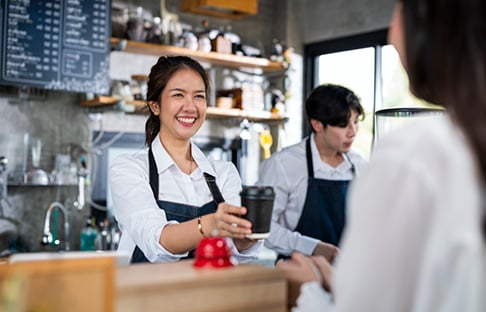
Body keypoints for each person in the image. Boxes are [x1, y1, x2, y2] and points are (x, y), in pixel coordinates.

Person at [277, 0, 486, 311]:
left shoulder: (412, 156)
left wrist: (311, 288)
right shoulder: (284, 164)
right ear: (316, 125)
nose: (391, 34)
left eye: (398, 12)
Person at [110, 56, 262, 264]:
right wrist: (209, 225)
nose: (190, 107)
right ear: (155, 106)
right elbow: (157, 243)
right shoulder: (130, 169)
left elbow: (236, 250)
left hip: (210, 294)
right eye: (178, 95)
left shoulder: (224, 173)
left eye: (199, 97)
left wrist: (250, 230)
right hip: (145, 294)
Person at [257, 84, 366, 261]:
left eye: (355, 122)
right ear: (316, 124)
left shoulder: (360, 164)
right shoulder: (283, 165)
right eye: (343, 124)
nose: (352, 132)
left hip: (349, 273)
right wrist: (312, 247)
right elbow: (263, 227)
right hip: (298, 271)